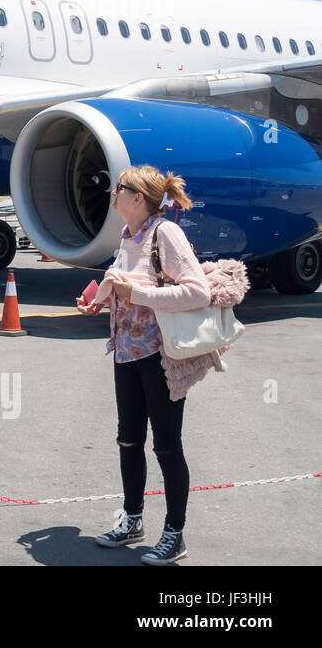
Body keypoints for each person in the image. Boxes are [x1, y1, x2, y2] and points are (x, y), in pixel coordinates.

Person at [77, 165, 213, 565]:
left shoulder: (164, 233)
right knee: (128, 440)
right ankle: (132, 519)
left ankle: (175, 534)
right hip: (124, 351)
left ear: (138, 198)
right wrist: (99, 299)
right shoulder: (127, 235)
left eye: (119, 188)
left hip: (159, 356)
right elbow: (124, 279)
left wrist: (134, 294)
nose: (112, 192)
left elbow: (196, 292)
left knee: (167, 446)